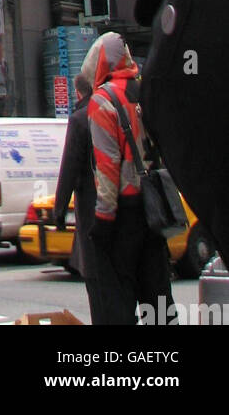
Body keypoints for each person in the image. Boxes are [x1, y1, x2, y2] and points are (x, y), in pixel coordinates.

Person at [81, 31, 175, 325]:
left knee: (117, 301)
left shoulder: (102, 100)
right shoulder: (144, 91)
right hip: (153, 207)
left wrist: (102, 222)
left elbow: (108, 168)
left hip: (122, 213)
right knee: (158, 302)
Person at [53, 74, 96, 293]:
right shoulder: (119, 107)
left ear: (77, 92)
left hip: (91, 207)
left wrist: (59, 211)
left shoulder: (80, 119)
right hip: (124, 204)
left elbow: (69, 168)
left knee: (97, 279)